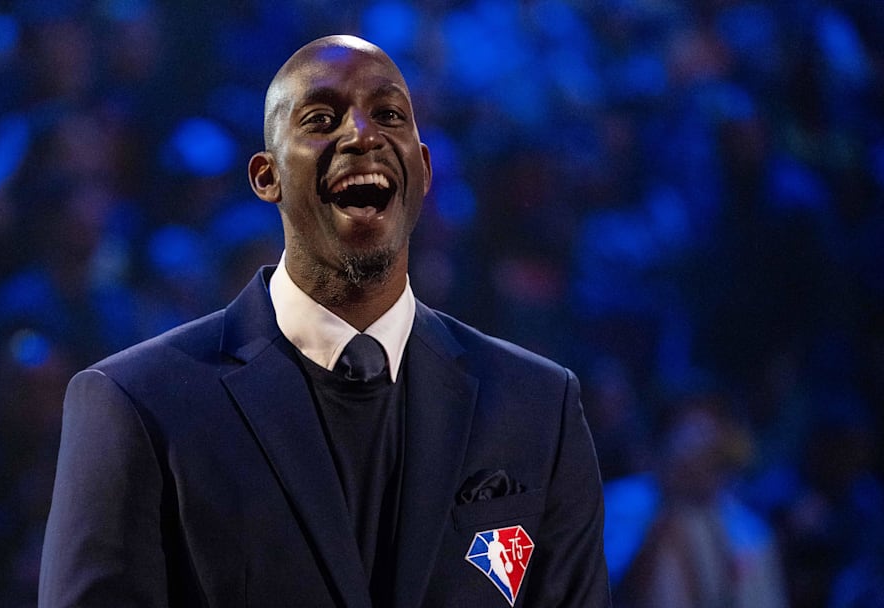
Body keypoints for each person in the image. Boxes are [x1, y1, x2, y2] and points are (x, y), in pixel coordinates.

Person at [40, 34, 610, 607]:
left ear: (424, 167)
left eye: (389, 115)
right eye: (320, 118)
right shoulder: (137, 404)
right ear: (267, 177)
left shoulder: (540, 406)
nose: (363, 136)